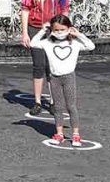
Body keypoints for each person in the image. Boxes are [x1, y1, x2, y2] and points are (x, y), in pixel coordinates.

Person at [30, 16, 96, 147]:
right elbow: (33, 43)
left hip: (69, 77)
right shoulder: (48, 42)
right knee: (58, 108)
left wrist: (78, 34)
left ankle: (76, 135)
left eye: (63, 29)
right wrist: (43, 31)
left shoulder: (75, 43)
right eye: (56, 30)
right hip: (54, 78)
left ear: (68, 28)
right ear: (52, 30)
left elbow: (91, 46)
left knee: (71, 106)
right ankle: (59, 133)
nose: (59, 32)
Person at [20, 0, 70, 116]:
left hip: (55, 30)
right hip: (35, 28)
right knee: (39, 65)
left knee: (53, 67)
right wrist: (24, 33)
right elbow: (25, 8)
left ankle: (55, 101)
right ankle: (37, 102)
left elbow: (64, 8)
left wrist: (67, 29)